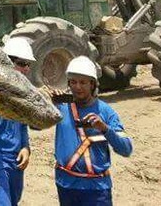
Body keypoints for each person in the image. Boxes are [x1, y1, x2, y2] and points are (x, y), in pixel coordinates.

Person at [48, 56, 133, 206]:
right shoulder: (61, 108)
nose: (77, 87)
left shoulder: (106, 112)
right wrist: (47, 104)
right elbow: (34, 126)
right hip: (66, 185)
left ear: (93, 84)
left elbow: (126, 149)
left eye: (83, 82)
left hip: (96, 189)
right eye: (73, 82)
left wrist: (104, 129)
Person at [0, 37, 35, 205]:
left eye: (28, 65)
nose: (26, 69)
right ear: (8, 62)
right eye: (22, 63)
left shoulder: (22, 90)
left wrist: (25, 146)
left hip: (15, 157)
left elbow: (22, 123)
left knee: (13, 201)